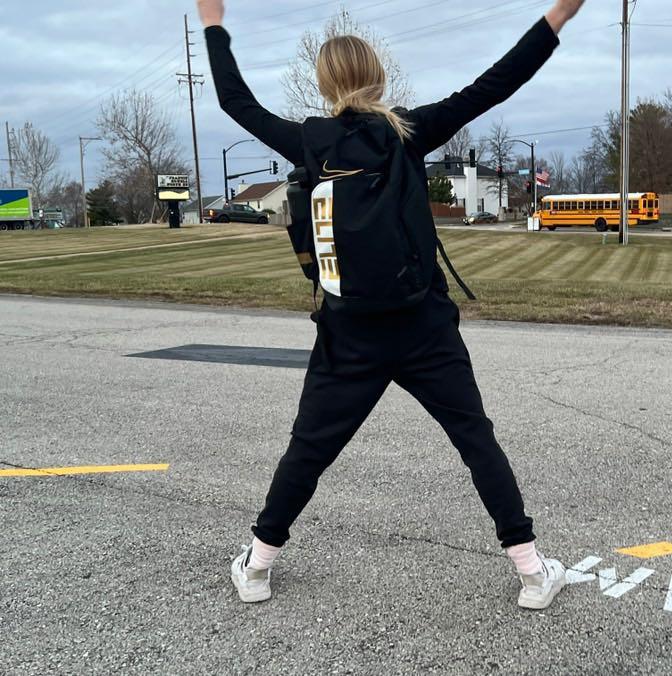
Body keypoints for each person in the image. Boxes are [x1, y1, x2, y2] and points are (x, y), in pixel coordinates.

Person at [197, 0, 586, 610]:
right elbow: (497, 82)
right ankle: (533, 572)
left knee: (309, 449)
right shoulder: (410, 132)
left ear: (326, 84)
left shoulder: (309, 142)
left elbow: (233, 101)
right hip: (423, 325)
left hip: (348, 331)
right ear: (379, 78)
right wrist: (557, 16)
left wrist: (214, 24)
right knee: (474, 439)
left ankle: (258, 565)